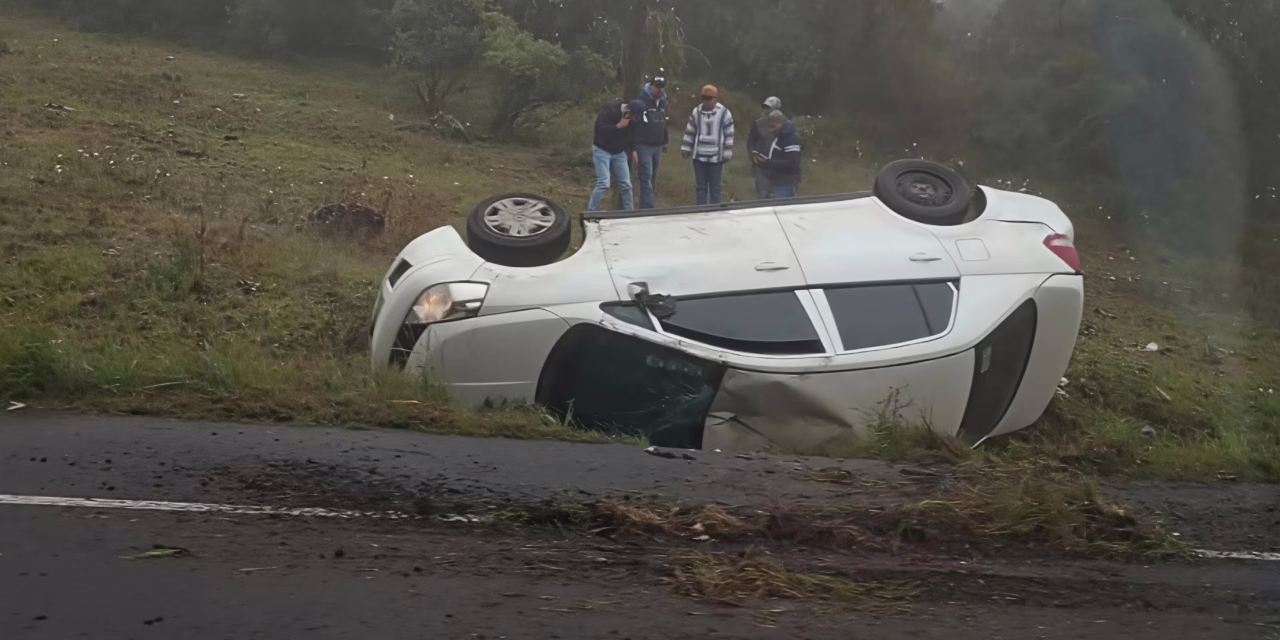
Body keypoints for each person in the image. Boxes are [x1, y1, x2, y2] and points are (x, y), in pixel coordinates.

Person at [588, 99, 646, 212]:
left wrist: (634, 151)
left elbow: (633, 135)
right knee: (604, 183)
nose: (634, 120)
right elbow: (599, 129)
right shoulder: (611, 110)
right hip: (602, 150)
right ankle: (591, 211)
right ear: (628, 111)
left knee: (626, 185)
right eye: (633, 117)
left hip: (619, 152)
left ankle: (630, 213)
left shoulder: (635, 120)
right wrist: (618, 126)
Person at [680, 85, 735, 205]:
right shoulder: (696, 111)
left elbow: (729, 134)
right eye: (704, 98)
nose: (706, 101)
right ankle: (700, 212)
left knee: (715, 189)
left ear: (716, 98)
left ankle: (715, 214)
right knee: (701, 188)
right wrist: (686, 148)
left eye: (709, 98)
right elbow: (690, 130)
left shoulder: (724, 113)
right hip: (699, 156)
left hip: (716, 157)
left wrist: (727, 152)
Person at [634, 74, 670, 209]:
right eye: (657, 87)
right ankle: (648, 207)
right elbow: (636, 125)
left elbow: (664, 122)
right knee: (646, 175)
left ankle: (647, 203)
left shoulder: (663, 101)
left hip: (657, 145)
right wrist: (634, 147)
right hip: (644, 145)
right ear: (651, 86)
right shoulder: (642, 101)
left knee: (653, 177)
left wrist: (665, 140)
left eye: (662, 87)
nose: (660, 90)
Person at [752, 110, 802, 199]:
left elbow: (793, 163)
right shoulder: (780, 135)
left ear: (780, 123)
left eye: (772, 126)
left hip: (786, 182)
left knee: (784, 210)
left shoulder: (791, 139)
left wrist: (770, 162)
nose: (770, 129)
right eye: (769, 125)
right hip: (777, 180)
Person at [746, 96, 783, 200]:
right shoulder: (758, 123)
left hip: (778, 167)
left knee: (777, 197)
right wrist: (753, 153)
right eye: (765, 108)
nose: (766, 111)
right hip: (761, 166)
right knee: (762, 197)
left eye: (769, 108)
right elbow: (751, 142)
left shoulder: (784, 124)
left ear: (776, 110)